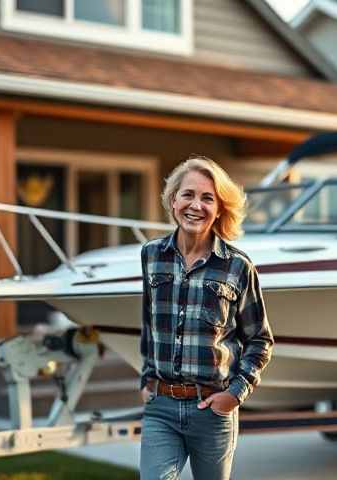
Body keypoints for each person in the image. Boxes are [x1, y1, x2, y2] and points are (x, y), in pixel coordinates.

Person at [138, 155, 274, 480]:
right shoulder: (151, 256)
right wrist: (146, 378)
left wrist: (234, 395)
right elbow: (148, 323)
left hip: (212, 411)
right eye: (187, 194)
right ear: (173, 201)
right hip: (162, 407)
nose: (195, 205)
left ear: (219, 209)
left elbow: (260, 340)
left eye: (207, 198)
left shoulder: (238, 267)